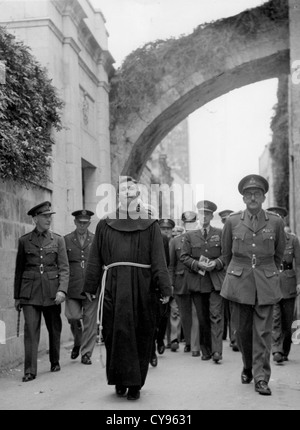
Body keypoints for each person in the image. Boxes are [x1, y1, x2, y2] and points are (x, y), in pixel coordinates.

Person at [82, 177, 172, 401]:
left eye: (132, 192)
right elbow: (95, 258)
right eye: (124, 192)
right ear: (118, 196)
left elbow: (159, 261)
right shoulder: (105, 223)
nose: (128, 196)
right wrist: (90, 285)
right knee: (113, 332)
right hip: (112, 285)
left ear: (138, 196)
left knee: (141, 332)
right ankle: (118, 380)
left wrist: (165, 289)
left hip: (143, 287)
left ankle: (135, 384)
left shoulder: (150, 225)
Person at [221, 174, 286, 396]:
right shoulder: (232, 221)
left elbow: (278, 255)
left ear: (264, 196)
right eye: (248, 194)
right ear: (243, 198)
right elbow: (226, 252)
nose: (253, 197)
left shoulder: (276, 222)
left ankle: (261, 378)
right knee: (243, 332)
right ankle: (248, 365)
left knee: (263, 332)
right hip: (240, 282)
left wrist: (267, 272)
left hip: (266, 282)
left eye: (257, 194)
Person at [14, 201, 69, 382]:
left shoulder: (58, 240)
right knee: (30, 330)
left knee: (54, 328)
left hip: (53, 292)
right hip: (29, 293)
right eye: (45, 217)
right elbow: (19, 270)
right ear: (35, 218)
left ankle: (55, 359)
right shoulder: (24, 241)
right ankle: (30, 370)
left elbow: (64, 268)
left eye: (50, 216)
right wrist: (17, 297)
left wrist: (62, 290)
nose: (48, 220)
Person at [181, 201, 225, 363]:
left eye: (207, 214)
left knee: (216, 315)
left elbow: (227, 254)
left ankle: (217, 351)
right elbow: (184, 257)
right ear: (198, 216)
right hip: (198, 282)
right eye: (201, 213)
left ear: (212, 216)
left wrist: (217, 263)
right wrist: (196, 264)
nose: (204, 216)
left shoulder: (220, 233)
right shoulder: (189, 235)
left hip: (215, 282)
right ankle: (205, 350)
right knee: (202, 317)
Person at [64, 209, 98, 365]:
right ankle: (78, 342)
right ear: (75, 222)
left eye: (85, 223)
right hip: (72, 286)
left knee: (90, 321)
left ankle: (86, 353)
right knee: (73, 317)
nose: (82, 226)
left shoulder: (96, 240)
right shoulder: (66, 240)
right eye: (79, 223)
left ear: (89, 223)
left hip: (91, 287)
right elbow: (63, 264)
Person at [267, 206, 300, 363]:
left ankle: (284, 349)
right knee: (275, 319)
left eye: (280, 217)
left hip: (288, 282)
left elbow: (299, 264)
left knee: (288, 322)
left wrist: (299, 282)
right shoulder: (265, 238)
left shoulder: (292, 239)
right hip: (271, 281)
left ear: (283, 220)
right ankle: (276, 350)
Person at [169, 211, 200, 357]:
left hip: (198, 280)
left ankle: (195, 346)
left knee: (196, 313)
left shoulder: (200, 238)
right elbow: (171, 265)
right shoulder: (175, 241)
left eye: (192, 222)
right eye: (187, 223)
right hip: (181, 282)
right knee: (185, 315)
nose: (189, 225)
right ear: (183, 223)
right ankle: (188, 341)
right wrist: (171, 284)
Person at [219, 209, 239, 352]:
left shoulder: (239, 233)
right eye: (224, 221)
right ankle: (229, 337)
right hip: (222, 276)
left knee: (236, 309)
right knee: (225, 310)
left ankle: (235, 338)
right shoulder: (220, 235)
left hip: (237, 276)